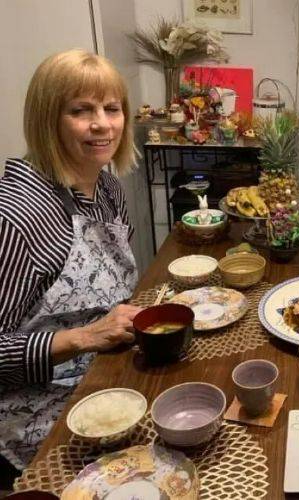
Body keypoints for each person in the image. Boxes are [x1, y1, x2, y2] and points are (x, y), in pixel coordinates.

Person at [0, 49, 142, 471]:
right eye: (81, 110)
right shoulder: (18, 214)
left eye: (111, 108)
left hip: (105, 376)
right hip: (41, 410)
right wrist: (83, 338)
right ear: (48, 119)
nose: (102, 123)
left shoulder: (108, 189)